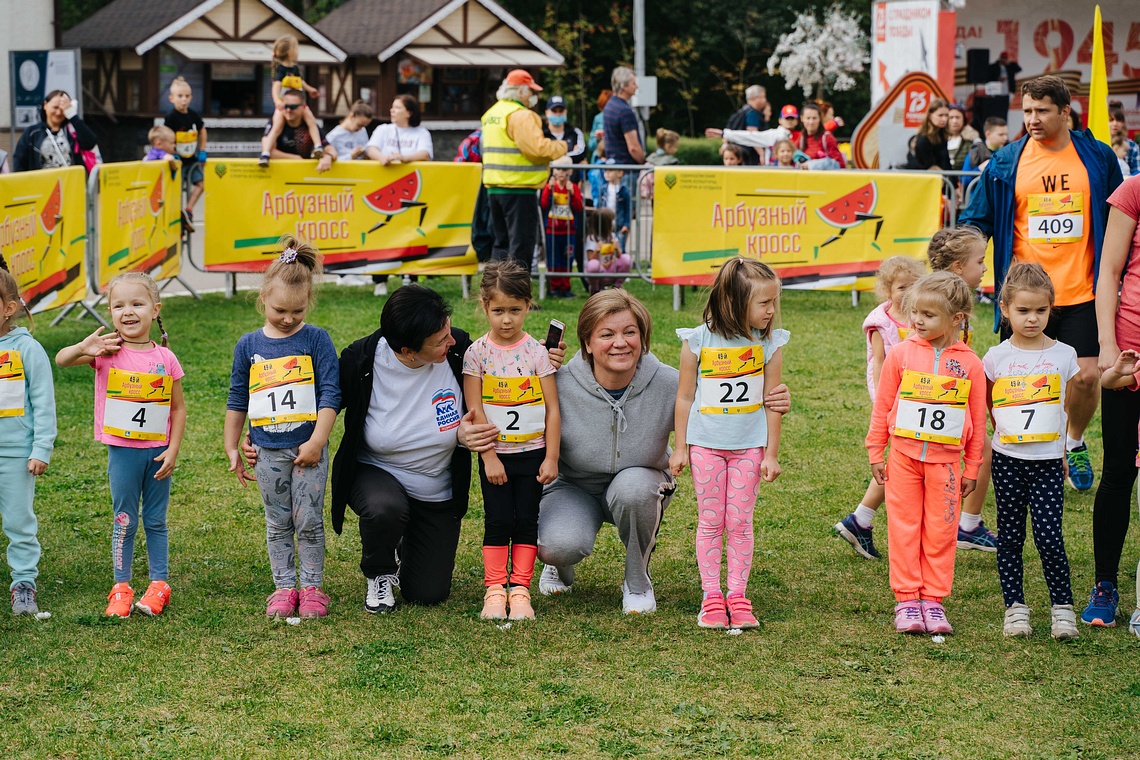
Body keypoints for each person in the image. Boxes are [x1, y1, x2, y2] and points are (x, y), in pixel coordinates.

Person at [526, 290, 791, 614]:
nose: (620, 343)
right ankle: (559, 566)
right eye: (606, 334)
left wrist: (770, 399)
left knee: (634, 489)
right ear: (587, 342)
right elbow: (516, 418)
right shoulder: (559, 382)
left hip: (639, 481)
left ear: (644, 336)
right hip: (573, 485)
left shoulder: (669, 382)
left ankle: (637, 582)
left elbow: (723, 404)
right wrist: (526, 371)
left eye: (630, 332)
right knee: (559, 545)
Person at [326, 285, 563, 613]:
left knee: (428, 592)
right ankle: (379, 572)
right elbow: (323, 401)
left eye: (448, 330)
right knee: (385, 509)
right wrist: (265, 436)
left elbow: (505, 351)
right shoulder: (361, 360)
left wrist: (543, 356)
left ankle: (408, 537)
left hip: (435, 488)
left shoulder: (458, 349)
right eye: (439, 340)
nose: (451, 341)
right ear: (409, 351)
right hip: (379, 474)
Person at [960, 75, 1123, 493]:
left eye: (1042, 111)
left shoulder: (1099, 157)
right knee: (1018, 383)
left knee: (1087, 376)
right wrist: (959, 265)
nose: (1032, 119)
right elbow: (976, 221)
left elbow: (1121, 216)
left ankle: (1074, 441)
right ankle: (1020, 457)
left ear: (1066, 112)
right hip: (1024, 296)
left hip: (1084, 289)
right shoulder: (1004, 162)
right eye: (1027, 111)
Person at [837, 230, 997, 554]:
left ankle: (863, 518)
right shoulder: (935, 301)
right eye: (979, 262)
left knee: (915, 454)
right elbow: (888, 361)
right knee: (909, 456)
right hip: (914, 397)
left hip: (938, 402)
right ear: (957, 267)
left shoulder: (952, 308)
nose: (983, 269)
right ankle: (965, 525)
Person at [55, 273, 186, 618]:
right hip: (123, 454)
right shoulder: (107, 352)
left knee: (156, 520)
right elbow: (62, 361)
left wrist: (173, 449)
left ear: (155, 309)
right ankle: (121, 586)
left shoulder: (166, 359)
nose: (128, 312)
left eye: (137, 304)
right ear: (110, 312)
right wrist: (84, 348)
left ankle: (160, 584)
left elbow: (177, 407)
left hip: (157, 454)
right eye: (119, 305)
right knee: (124, 519)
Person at [669, 259, 789, 629]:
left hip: (749, 448)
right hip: (705, 445)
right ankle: (711, 597)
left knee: (739, 520)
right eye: (763, 303)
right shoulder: (698, 341)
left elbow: (772, 400)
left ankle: (737, 594)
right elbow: (685, 397)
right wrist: (680, 447)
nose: (771, 311)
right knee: (710, 520)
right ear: (733, 302)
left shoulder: (770, 343)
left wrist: (771, 452)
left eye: (773, 302)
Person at [224, 237, 340, 620]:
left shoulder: (316, 339)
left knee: (308, 519)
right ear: (263, 299)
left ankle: (311, 588)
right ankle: (283, 586)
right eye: (279, 310)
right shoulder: (248, 345)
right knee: (278, 522)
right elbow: (238, 399)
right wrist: (232, 446)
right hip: (268, 451)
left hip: (308, 450)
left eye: (297, 310)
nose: (288, 318)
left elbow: (330, 395)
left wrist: (317, 441)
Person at [867, 271, 987, 635]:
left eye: (928, 315)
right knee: (904, 528)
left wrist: (972, 467)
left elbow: (978, 421)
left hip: (947, 465)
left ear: (956, 319)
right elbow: (884, 403)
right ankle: (906, 599)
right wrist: (876, 449)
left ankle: (933, 601)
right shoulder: (901, 354)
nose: (917, 320)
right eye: (914, 312)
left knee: (940, 531)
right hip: (903, 459)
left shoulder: (970, 364)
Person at [982, 262, 1080, 640]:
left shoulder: (1065, 355)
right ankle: (1015, 607)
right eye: (1023, 311)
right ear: (1005, 309)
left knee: (1049, 535)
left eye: (1040, 310)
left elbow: (1067, 405)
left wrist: (1064, 449)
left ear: (1051, 308)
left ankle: (1062, 607)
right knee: (1010, 536)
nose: (1032, 319)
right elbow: (989, 404)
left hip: (1047, 463)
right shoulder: (995, 357)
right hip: (1008, 460)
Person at [462, 261, 560, 620]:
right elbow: (475, 412)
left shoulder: (537, 353)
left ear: (528, 305)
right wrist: (488, 457)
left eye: (515, 311)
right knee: (498, 519)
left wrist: (551, 457)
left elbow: (552, 409)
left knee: (527, 521)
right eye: (498, 311)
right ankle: (493, 589)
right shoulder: (477, 354)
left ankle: (520, 589)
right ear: (484, 307)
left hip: (533, 454)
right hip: (496, 457)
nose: (506, 320)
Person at [834, 255, 925, 560]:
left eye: (914, 286)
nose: (907, 292)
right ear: (888, 290)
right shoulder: (880, 321)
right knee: (902, 463)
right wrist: (883, 404)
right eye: (901, 287)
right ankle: (862, 520)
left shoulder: (921, 316)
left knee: (904, 462)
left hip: (919, 398)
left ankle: (860, 519)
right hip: (892, 399)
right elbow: (879, 364)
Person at [1089, 172, 1140, 630]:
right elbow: (1109, 271)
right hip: (1129, 354)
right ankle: (1105, 585)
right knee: (1120, 469)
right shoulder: (1134, 190)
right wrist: (1107, 344)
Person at [0, 256, 56, 616]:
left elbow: (44, 403)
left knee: (19, 521)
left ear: (8, 308)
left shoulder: (27, 350)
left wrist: (40, 449)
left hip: (16, 454)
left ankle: (24, 582)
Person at [480, 70, 568, 268]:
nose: (532, 96)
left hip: (494, 187)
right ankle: (517, 296)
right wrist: (562, 146)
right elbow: (536, 149)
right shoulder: (521, 115)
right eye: (530, 91)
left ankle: (495, 293)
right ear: (520, 92)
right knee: (521, 247)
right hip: (519, 187)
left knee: (501, 245)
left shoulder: (492, 113)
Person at [259, 36, 323, 167]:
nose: (298, 52)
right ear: (290, 52)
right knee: (277, 127)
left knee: (311, 121)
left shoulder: (295, 68)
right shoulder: (281, 69)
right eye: (296, 49)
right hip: (284, 105)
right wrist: (277, 100)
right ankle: (265, 154)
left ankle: (318, 147)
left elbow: (301, 82)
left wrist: (310, 90)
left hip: (299, 104)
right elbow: (276, 86)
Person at [12, 90, 98, 173]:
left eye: (62, 109)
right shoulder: (32, 132)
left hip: (70, 184)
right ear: (45, 105)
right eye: (55, 107)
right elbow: (19, 160)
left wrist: (72, 115)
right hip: (41, 184)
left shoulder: (72, 131)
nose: (58, 112)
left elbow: (90, 143)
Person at [164, 77, 207, 230]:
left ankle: (188, 209)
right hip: (178, 161)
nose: (184, 100)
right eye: (180, 96)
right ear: (171, 98)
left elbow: (202, 129)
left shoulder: (193, 115)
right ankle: (175, 216)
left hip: (192, 160)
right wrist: (171, 152)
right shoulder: (171, 117)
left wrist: (202, 150)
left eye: (187, 96)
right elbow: (166, 135)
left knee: (202, 184)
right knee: (175, 189)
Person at [262, 89, 336, 173]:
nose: (288, 110)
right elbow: (269, 151)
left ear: (304, 107)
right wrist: (296, 158)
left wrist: (328, 157)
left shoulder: (310, 125)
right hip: (279, 173)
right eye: (285, 106)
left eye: (293, 107)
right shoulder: (276, 123)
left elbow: (331, 150)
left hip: (303, 173)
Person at [540, 160, 583, 298]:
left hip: (569, 231)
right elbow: (544, 203)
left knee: (567, 259)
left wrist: (572, 193)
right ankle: (554, 287)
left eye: (564, 171)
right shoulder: (550, 187)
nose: (561, 174)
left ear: (569, 172)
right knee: (553, 259)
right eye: (558, 170)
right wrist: (548, 190)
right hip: (552, 230)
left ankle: (565, 287)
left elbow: (578, 207)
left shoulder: (573, 187)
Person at [366, 95, 433, 166]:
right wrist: (381, 157)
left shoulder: (422, 132)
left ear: (409, 113)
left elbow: (425, 154)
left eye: (397, 108)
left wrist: (405, 158)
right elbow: (371, 149)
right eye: (392, 107)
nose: (392, 110)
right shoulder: (382, 129)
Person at [602, 67, 645, 167]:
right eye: (633, 83)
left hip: (612, 166)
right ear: (624, 86)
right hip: (627, 167)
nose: (637, 86)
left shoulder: (609, 106)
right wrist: (644, 163)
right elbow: (633, 147)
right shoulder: (625, 111)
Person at [723, 85, 772, 164]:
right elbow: (753, 135)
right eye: (763, 97)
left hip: (736, 153)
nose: (765, 100)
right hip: (747, 155)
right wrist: (761, 154)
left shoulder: (741, 111)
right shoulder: (752, 114)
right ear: (756, 98)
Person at [584, 208, 629, 293]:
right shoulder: (592, 238)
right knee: (593, 265)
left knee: (626, 258)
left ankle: (617, 288)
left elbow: (619, 256)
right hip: (598, 271)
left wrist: (617, 249)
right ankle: (595, 289)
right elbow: (590, 260)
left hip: (610, 269)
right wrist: (597, 251)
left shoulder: (612, 236)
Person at [796, 103, 846, 169]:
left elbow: (840, 165)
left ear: (820, 119)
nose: (811, 122)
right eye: (808, 118)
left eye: (814, 118)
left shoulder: (827, 138)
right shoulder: (801, 138)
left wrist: (813, 165)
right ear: (802, 118)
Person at [907, 99, 951, 171]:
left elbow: (946, 161)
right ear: (930, 116)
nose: (944, 119)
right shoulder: (923, 138)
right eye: (940, 115)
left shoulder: (942, 134)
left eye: (946, 115)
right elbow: (930, 167)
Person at [600, 158, 631, 251]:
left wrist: (626, 224)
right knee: (605, 245)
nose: (607, 173)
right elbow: (600, 207)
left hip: (619, 224)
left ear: (620, 173)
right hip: (606, 223)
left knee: (619, 246)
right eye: (605, 170)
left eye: (610, 170)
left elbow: (628, 209)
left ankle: (620, 264)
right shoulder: (603, 189)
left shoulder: (624, 190)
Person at [946, 104, 979, 172]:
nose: (954, 121)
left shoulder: (971, 139)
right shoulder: (938, 139)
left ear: (963, 119)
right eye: (951, 117)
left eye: (958, 117)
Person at [1109, 105, 1139, 177]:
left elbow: (1137, 173)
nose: (1115, 124)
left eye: (1118, 120)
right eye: (1111, 120)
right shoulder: (1097, 145)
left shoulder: (1132, 146)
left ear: (1123, 123)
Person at [587, 90, 613, 160]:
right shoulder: (597, 118)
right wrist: (597, 139)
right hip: (598, 158)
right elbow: (591, 145)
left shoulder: (620, 117)